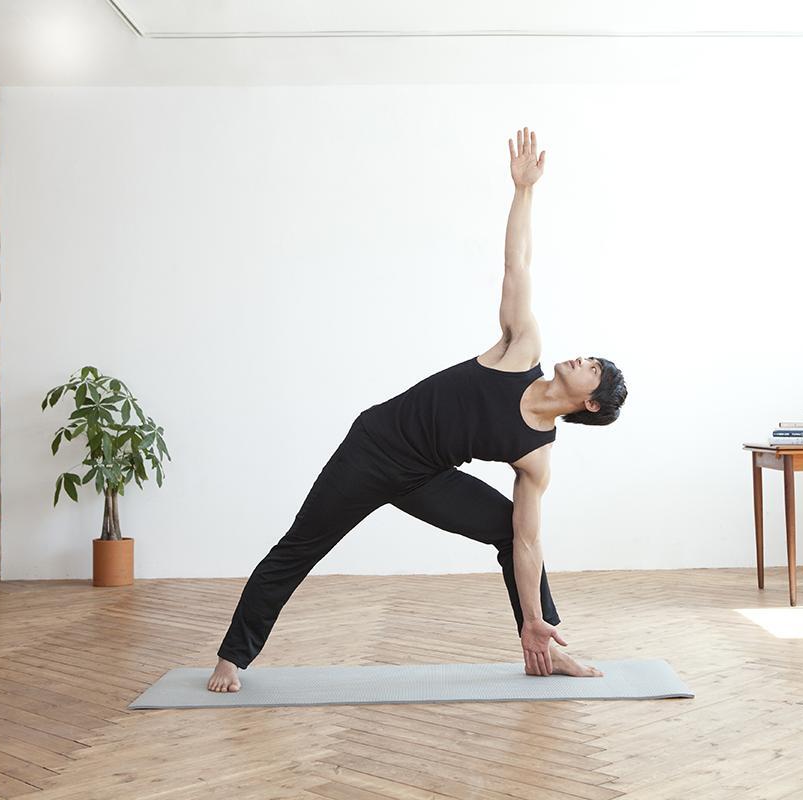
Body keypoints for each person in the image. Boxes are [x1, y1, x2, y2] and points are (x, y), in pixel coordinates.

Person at [208, 127, 628, 692]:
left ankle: (547, 641)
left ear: (589, 402)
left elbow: (527, 542)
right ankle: (232, 658)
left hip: (423, 477)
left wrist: (532, 618)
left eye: (593, 368)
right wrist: (523, 191)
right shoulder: (521, 349)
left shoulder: (537, 457)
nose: (582, 358)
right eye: (589, 357)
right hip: (372, 447)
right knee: (299, 547)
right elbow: (517, 265)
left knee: (510, 530)